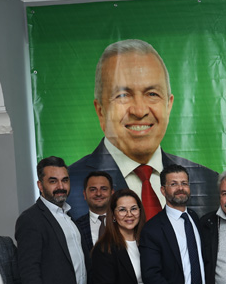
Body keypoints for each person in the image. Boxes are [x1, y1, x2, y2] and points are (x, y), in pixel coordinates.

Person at [68, 39, 218, 220]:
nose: (139, 111)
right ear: (100, 111)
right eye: (123, 95)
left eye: (152, 94)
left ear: (168, 105)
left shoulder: (209, 183)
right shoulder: (69, 186)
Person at [15, 156, 90, 284]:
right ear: (40, 185)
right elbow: (28, 270)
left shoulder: (68, 216)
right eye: (53, 181)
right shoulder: (30, 219)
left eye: (65, 180)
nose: (61, 187)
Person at [139, 164, 207, 284]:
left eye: (184, 183)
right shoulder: (153, 229)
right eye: (174, 184)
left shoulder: (194, 218)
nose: (180, 188)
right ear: (163, 190)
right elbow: (151, 276)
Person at [73, 170, 113, 254]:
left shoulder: (123, 221)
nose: (98, 193)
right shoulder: (76, 227)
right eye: (93, 189)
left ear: (112, 193)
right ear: (85, 194)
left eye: (104, 189)